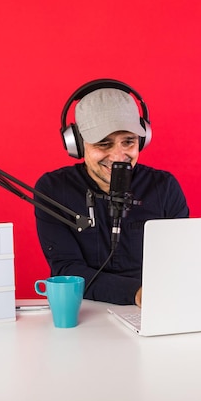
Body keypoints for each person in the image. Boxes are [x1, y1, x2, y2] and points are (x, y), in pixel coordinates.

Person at [34, 79, 189, 306]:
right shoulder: (54, 190)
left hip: (155, 307)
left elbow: (181, 261)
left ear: (142, 140)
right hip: (86, 310)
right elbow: (66, 270)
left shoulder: (164, 187)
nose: (118, 157)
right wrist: (136, 293)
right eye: (103, 144)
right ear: (77, 143)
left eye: (128, 142)